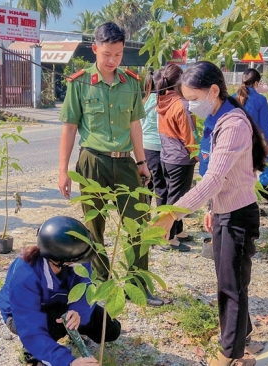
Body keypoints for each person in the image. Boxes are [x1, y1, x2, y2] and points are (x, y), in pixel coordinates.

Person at [153, 61, 268, 366]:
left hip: (239, 216)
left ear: (214, 91)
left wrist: (173, 214)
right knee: (229, 281)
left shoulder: (233, 124)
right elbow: (216, 176)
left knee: (231, 287)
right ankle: (240, 337)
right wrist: (211, 208)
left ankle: (229, 355)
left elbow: (215, 178)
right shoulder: (218, 117)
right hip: (224, 212)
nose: (190, 105)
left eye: (193, 98)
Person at [58, 22, 162, 306]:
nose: (112, 60)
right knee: (95, 228)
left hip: (125, 162)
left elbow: (135, 125)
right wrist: (63, 172)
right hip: (91, 162)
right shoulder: (79, 82)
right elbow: (68, 129)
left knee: (139, 224)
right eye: (106, 54)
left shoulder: (131, 83)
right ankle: (102, 285)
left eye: (117, 55)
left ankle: (137, 285)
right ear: (95, 49)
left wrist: (141, 161)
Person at [0, 216, 120, 366]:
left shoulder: (76, 258)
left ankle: (69, 332)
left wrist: (78, 311)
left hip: (61, 303)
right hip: (22, 315)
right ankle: (34, 353)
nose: (84, 262)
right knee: (52, 325)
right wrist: (69, 362)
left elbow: (86, 284)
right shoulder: (25, 273)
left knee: (111, 330)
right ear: (63, 260)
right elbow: (30, 326)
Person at [156, 63, 197, 252]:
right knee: (176, 200)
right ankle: (167, 237)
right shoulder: (181, 105)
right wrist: (198, 156)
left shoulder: (163, 101)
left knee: (172, 197)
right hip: (181, 159)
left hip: (167, 157)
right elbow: (189, 136)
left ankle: (178, 231)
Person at [140, 69, 166, 207]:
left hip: (144, 148)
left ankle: (145, 217)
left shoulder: (143, 101)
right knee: (161, 186)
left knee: (146, 184)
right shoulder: (161, 102)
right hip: (159, 148)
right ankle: (162, 221)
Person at [234, 68, 268, 145]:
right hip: (252, 141)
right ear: (256, 83)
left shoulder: (232, 98)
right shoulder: (261, 99)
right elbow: (265, 124)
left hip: (233, 139)